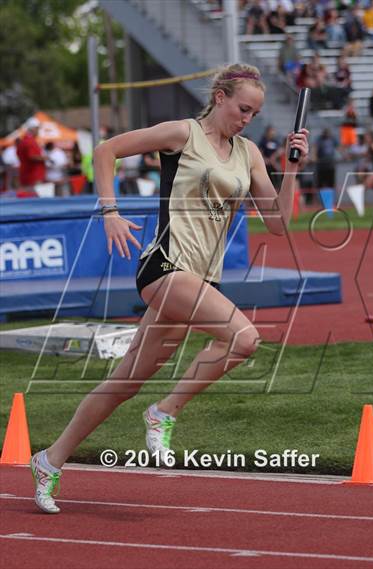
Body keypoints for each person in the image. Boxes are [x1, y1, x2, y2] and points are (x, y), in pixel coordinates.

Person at [30, 62, 309, 514]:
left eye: (253, 114)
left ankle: (49, 459)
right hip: (165, 266)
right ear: (220, 97)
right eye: (242, 108)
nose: (246, 119)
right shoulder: (182, 134)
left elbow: (279, 223)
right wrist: (110, 212)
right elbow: (106, 150)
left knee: (123, 383)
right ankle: (165, 411)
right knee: (244, 338)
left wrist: (294, 169)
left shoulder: (249, 154)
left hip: (202, 275)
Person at [16, 117, 46, 190]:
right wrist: (46, 158)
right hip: (32, 176)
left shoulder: (25, 140)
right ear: (32, 129)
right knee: (33, 198)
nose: (38, 131)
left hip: (28, 175)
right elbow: (32, 156)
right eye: (37, 128)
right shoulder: (29, 141)